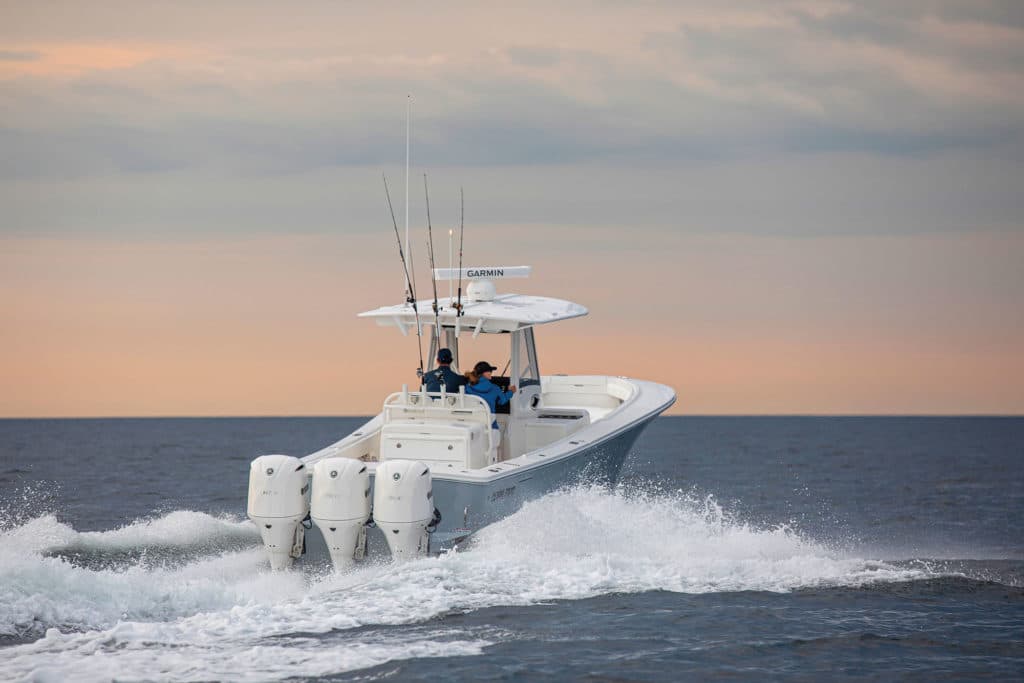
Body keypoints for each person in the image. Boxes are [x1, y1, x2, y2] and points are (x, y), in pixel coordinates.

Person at [465, 361, 516, 429]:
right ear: (484, 373)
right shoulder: (494, 388)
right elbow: (502, 401)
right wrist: (511, 391)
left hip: (473, 425)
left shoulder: (467, 387)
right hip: (490, 426)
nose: (491, 373)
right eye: (489, 371)